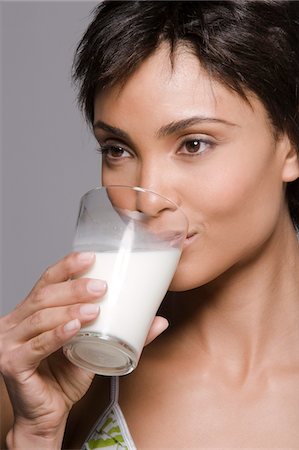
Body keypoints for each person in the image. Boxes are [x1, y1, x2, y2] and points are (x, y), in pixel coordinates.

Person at [1, 1, 299, 448]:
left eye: (193, 144)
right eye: (118, 149)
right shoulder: (57, 380)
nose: (148, 194)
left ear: (290, 145)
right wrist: (34, 436)